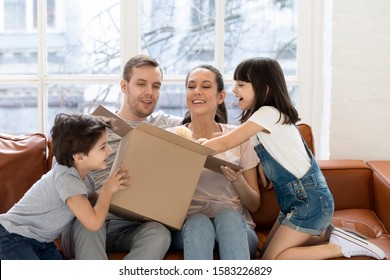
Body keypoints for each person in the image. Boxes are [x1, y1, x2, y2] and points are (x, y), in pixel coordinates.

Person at [200, 57, 386, 260]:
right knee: (265, 253)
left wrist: (192, 147)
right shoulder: (264, 122)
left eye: (241, 85)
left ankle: (340, 247)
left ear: (266, 88)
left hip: (309, 202)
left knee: (274, 262)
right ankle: (326, 235)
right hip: (295, 203)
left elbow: (226, 142)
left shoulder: (267, 114)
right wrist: (263, 163)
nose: (235, 90)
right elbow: (233, 139)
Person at [60, 54, 182, 260]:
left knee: (159, 234)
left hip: (134, 226)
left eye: (156, 86)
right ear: (124, 86)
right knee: (90, 224)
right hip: (88, 219)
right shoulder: (92, 124)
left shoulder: (168, 125)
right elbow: (61, 170)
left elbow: (204, 126)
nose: (149, 92)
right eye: (141, 84)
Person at [0, 113, 129, 260]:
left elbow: (94, 201)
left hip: (42, 242)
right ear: (79, 156)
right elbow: (93, 223)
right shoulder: (66, 179)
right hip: (14, 237)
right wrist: (107, 189)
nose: (110, 151)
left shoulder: (84, 176)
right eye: (103, 147)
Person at [168, 64, 260, 259]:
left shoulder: (239, 137)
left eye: (206, 86)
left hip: (237, 227)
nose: (197, 91)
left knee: (228, 216)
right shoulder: (171, 138)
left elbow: (254, 204)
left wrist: (237, 180)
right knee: (198, 221)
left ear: (221, 97)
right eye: (191, 86)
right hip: (188, 227)